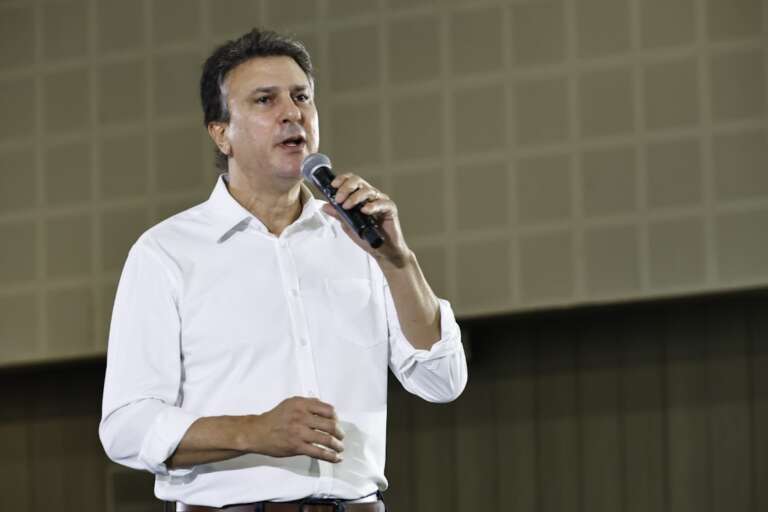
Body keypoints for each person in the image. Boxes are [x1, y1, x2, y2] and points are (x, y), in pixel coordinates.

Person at [99, 28, 468, 511]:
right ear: (221, 133)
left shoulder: (360, 239)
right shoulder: (166, 253)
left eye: (301, 97)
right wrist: (252, 431)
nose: (292, 113)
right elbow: (126, 427)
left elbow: (442, 381)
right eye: (265, 100)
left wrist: (399, 261)